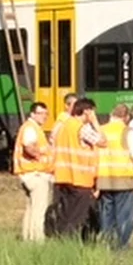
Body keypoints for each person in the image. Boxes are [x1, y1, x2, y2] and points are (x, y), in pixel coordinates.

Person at [51, 97, 105, 238]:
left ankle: (58, 241)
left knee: (65, 214)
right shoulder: (82, 129)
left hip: (62, 177)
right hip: (80, 179)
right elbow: (103, 142)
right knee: (76, 216)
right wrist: (95, 122)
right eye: (92, 112)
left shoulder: (63, 126)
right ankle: (66, 244)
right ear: (86, 112)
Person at [98, 104, 133, 249]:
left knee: (106, 214)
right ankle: (121, 245)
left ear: (111, 114)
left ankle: (106, 243)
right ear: (126, 117)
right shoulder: (127, 132)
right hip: (124, 179)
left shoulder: (101, 130)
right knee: (125, 215)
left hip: (104, 179)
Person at [13, 101, 52, 243]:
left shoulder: (32, 127)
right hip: (35, 174)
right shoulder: (30, 128)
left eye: (46, 113)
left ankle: (27, 238)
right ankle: (37, 239)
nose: (44, 116)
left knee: (30, 208)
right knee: (39, 210)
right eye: (41, 113)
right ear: (32, 114)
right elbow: (28, 146)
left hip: (28, 174)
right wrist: (38, 155)